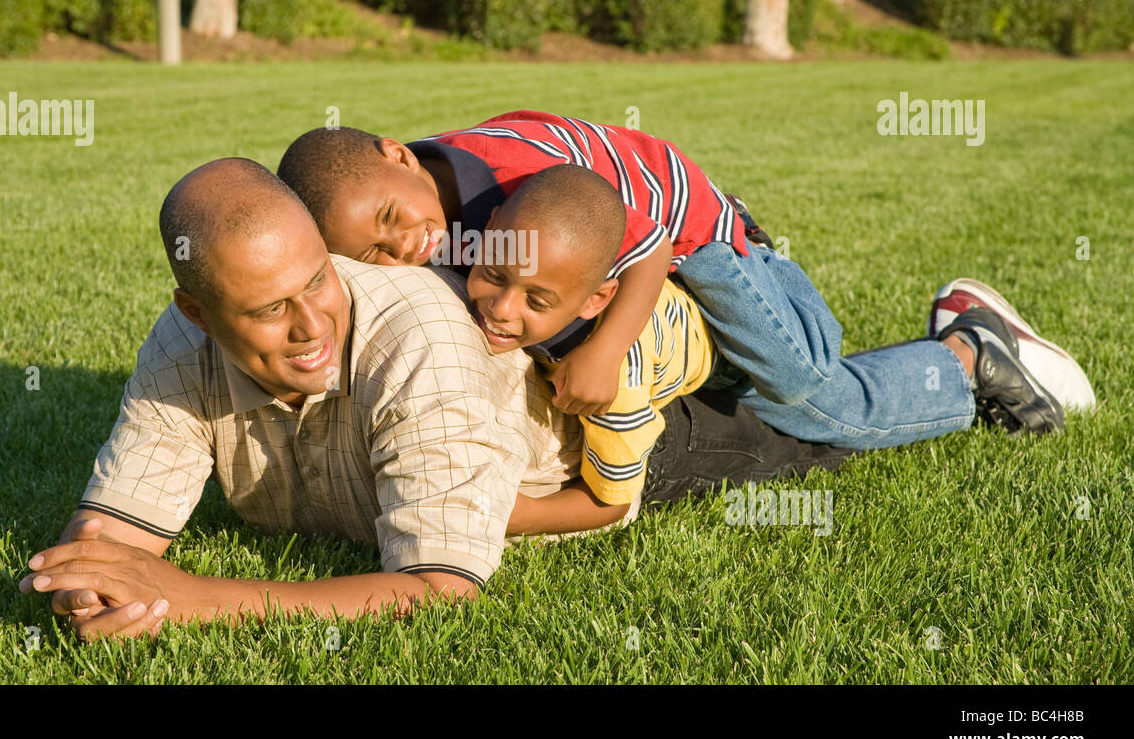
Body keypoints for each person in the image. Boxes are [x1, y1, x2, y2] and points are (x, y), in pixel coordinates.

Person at [18, 157, 856, 641]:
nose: (314, 324)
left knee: (810, 427)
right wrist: (91, 579)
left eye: (320, 280)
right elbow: (113, 527)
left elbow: (436, 586)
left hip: (587, 437)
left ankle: (956, 357)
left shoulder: (414, 336)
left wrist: (195, 598)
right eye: (272, 309)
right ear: (197, 312)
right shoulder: (182, 345)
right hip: (477, 427)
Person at [276, 110, 1091, 452]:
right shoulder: (436, 203)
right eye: (375, 254)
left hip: (712, 251)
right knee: (762, 401)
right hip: (664, 260)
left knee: (814, 399)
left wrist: (608, 352)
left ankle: (967, 353)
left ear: (394, 151)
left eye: (391, 218)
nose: (404, 246)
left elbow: (653, 242)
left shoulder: (511, 182)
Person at [460, 165, 720, 536]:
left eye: (535, 301)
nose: (501, 308)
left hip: (710, 352)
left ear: (595, 300)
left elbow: (611, 502)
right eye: (495, 275)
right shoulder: (519, 259)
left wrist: (513, 515)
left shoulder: (617, 383)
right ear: (489, 230)